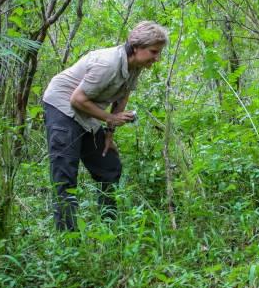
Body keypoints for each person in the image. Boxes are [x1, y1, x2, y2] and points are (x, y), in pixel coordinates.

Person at [42, 21, 168, 231]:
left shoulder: (135, 66)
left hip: (87, 112)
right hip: (62, 107)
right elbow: (77, 99)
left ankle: (109, 228)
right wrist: (109, 118)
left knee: (109, 166)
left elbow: (122, 98)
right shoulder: (108, 63)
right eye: (154, 52)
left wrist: (109, 134)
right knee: (65, 175)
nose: (157, 58)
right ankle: (68, 239)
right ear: (136, 46)